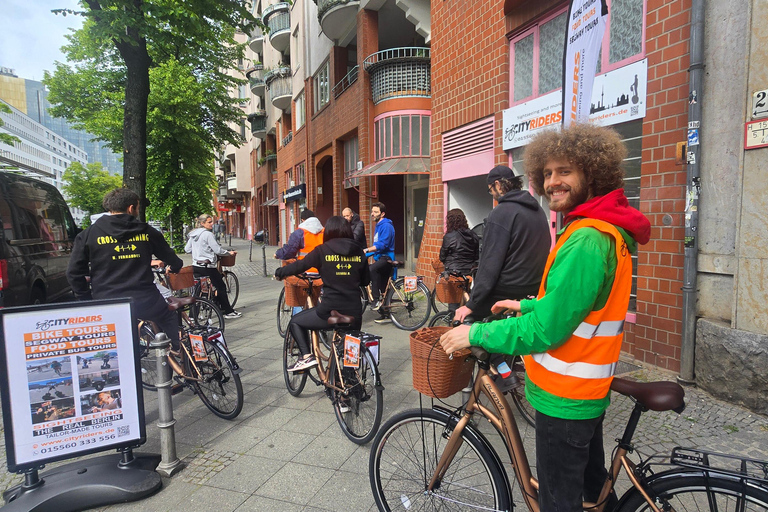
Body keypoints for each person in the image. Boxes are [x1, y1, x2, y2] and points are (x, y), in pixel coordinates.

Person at [440, 123, 651, 512]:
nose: (554, 181)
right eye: (548, 173)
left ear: (593, 173)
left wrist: (475, 335)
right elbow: (576, 307)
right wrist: (527, 305)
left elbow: (547, 331)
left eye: (565, 171)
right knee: (592, 495)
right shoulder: (597, 229)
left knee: (558, 502)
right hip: (584, 392)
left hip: (565, 401)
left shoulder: (587, 238)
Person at [67, 188, 184, 349]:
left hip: (108, 301)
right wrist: (176, 266)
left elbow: (73, 273)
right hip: (145, 300)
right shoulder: (147, 232)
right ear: (131, 208)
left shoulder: (89, 235)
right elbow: (171, 258)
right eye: (137, 207)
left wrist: (86, 298)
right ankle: (178, 356)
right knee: (168, 317)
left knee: (113, 341)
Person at [453, 164, 550, 323]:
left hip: (509, 288)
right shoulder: (538, 210)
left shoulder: (500, 213)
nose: (492, 194)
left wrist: (472, 304)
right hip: (535, 287)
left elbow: (490, 263)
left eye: (490, 189)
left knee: (465, 322)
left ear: (498, 185)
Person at [274, 216, 370, 372]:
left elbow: (300, 265)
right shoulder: (359, 251)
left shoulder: (323, 250)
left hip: (330, 310)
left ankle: (306, 357)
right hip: (354, 311)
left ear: (328, 232)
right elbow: (365, 281)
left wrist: (280, 272)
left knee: (295, 322)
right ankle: (349, 388)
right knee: (350, 353)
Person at [185, 214, 242, 319]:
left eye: (212, 221)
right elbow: (217, 250)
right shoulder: (208, 234)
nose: (212, 224)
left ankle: (193, 316)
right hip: (208, 266)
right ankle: (227, 311)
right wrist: (229, 253)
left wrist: (198, 252)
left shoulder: (193, 234)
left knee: (197, 291)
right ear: (202, 223)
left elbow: (187, 249)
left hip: (196, 265)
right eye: (209, 222)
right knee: (221, 287)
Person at [364, 202, 395, 324]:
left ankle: (375, 300)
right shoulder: (379, 225)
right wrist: (364, 255)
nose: (372, 214)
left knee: (372, 269)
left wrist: (367, 250)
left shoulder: (386, 226)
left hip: (386, 258)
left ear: (382, 214)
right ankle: (385, 313)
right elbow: (378, 246)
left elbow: (383, 245)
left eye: (375, 212)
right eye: (372, 211)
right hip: (380, 257)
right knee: (383, 287)